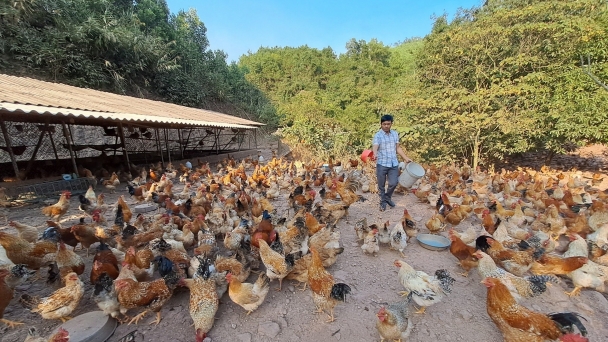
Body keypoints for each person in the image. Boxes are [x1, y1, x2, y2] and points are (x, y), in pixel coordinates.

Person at [371, 114, 412, 211]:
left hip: (393, 163)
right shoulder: (378, 135)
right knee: (381, 185)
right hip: (381, 163)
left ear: (391, 124)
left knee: (393, 183)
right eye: (384, 124)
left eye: (388, 124)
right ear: (381, 124)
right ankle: (382, 202)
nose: (386, 126)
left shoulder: (395, 134)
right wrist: (375, 154)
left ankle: (387, 197)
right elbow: (375, 146)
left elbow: (397, 148)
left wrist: (406, 158)